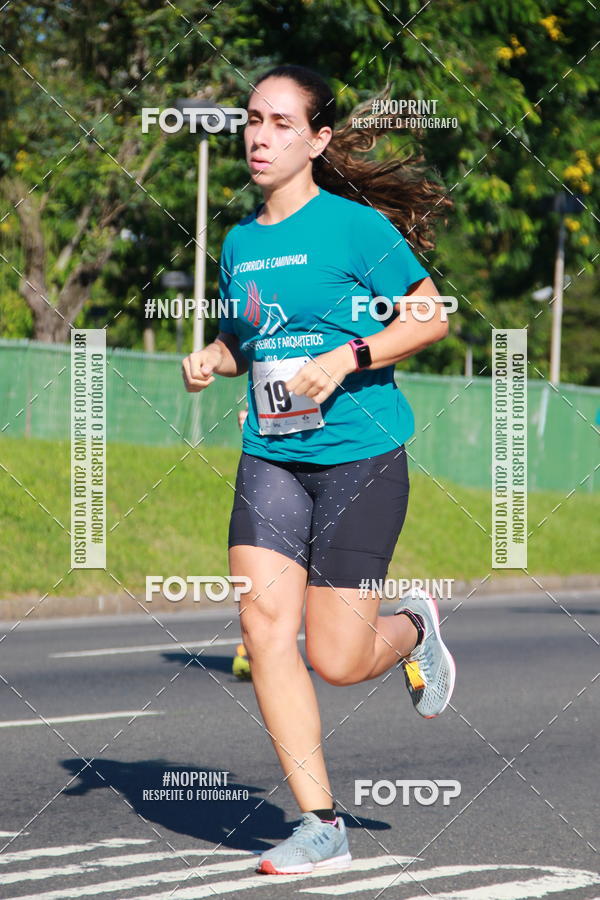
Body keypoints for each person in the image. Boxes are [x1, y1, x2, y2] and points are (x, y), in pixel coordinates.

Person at [182, 64, 456, 876]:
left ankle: (413, 625)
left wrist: (348, 356)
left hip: (360, 455)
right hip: (270, 453)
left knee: (337, 659)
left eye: (279, 122)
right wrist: (213, 357)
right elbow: (247, 340)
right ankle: (319, 824)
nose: (259, 136)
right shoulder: (240, 241)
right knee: (265, 627)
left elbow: (429, 316)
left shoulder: (355, 229)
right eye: (251, 120)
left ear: (317, 139)